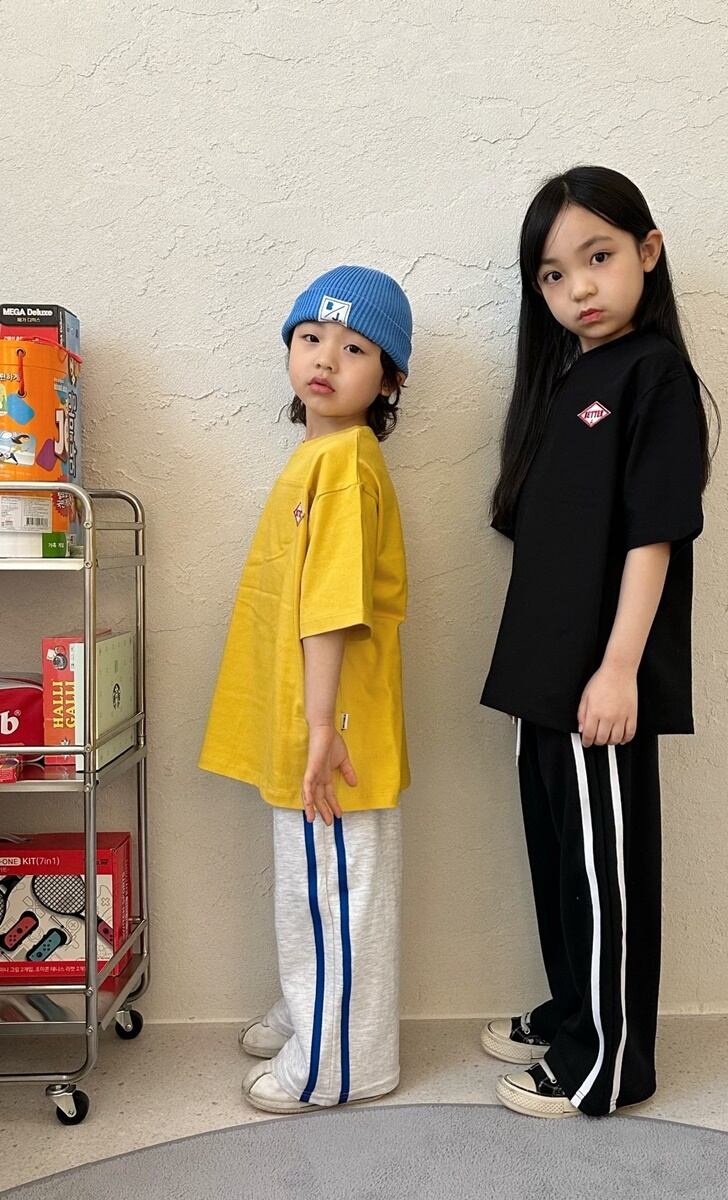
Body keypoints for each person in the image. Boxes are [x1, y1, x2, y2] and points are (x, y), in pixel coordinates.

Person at [480, 166, 717, 1118]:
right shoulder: (567, 380)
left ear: (648, 253)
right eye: (553, 273)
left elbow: (654, 535)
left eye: (599, 256)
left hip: (599, 683)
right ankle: (576, 1012)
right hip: (543, 677)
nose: (578, 287)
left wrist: (619, 670)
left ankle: (608, 1063)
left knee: (603, 872)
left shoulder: (655, 374)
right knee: (559, 861)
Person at [199, 265, 412, 1113]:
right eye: (311, 337)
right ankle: (309, 1009)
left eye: (355, 348)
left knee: (334, 893)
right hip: (308, 719)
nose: (325, 358)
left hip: (334, 730)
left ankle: (341, 1065)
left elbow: (331, 607)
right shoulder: (320, 457)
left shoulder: (347, 466)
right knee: (310, 885)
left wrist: (322, 726)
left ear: (389, 380)